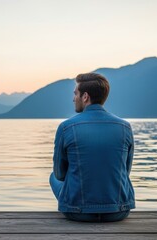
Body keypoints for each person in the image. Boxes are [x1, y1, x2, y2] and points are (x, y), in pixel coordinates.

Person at [49, 72, 135, 222]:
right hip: (118, 212)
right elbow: (125, 172)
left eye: (75, 94)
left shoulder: (66, 127)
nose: (73, 98)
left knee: (53, 177)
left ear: (85, 97)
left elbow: (60, 174)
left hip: (78, 212)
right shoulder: (125, 127)